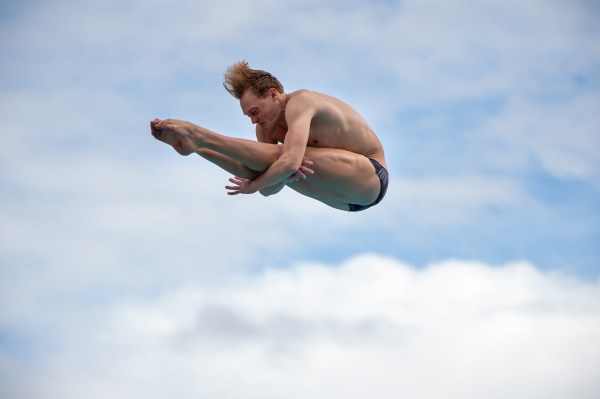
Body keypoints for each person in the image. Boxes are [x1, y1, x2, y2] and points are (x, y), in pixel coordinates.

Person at [150, 61, 388, 212]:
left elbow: (288, 164)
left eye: (255, 112)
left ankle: (200, 135)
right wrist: (269, 179)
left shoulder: (301, 102)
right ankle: (197, 148)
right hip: (344, 202)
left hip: (370, 176)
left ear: (274, 94)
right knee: (272, 166)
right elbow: (268, 189)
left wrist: (257, 184)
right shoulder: (265, 128)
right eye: (248, 116)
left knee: (283, 158)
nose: (253, 120)